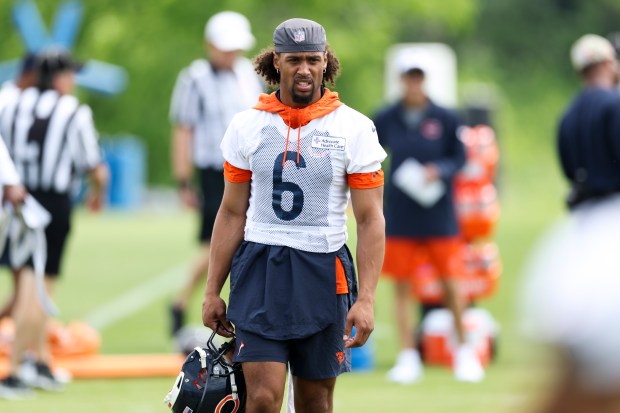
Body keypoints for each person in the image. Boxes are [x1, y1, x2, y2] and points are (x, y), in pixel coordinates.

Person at [201, 18, 386, 413]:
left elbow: (371, 220)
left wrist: (366, 298)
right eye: (294, 60)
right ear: (276, 63)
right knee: (263, 399)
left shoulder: (354, 128)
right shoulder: (247, 124)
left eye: (312, 60)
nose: (304, 69)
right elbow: (232, 212)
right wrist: (211, 289)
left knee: (315, 401)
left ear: (325, 64)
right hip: (260, 267)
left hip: (324, 269)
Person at [520, 33, 620, 413]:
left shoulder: (569, 113)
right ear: (608, 64)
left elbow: (566, 166)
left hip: (581, 226)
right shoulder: (615, 104)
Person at [0, 48, 108, 398]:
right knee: (39, 285)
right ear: (59, 77)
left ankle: (41, 361)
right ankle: (16, 369)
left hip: (16, 199)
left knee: (29, 279)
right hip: (51, 202)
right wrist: (97, 192)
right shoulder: (72, 110)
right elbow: (92, 163)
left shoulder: (10, 102)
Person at [374, 49, 484, 383]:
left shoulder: (446, 116)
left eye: (418, 77)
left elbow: (460, 157)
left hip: (438, 213)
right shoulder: (387, 116)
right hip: (402, 211)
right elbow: (372, 156)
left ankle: (464, 351)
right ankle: (408, 355)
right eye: (409, 77)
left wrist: (440, 170)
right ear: (401, 80)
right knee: (403, 285)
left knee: (452, 281)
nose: (413, 84)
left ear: (425, 80)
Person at [168, 11, 264, 337]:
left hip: (249, 167)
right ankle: (183, 301)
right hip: (213, 169)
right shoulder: (194, 78)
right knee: (217, 239)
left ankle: (186, 302)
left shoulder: (248, 73)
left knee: (236, 239)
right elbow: (183, 129)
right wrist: (183, 179)